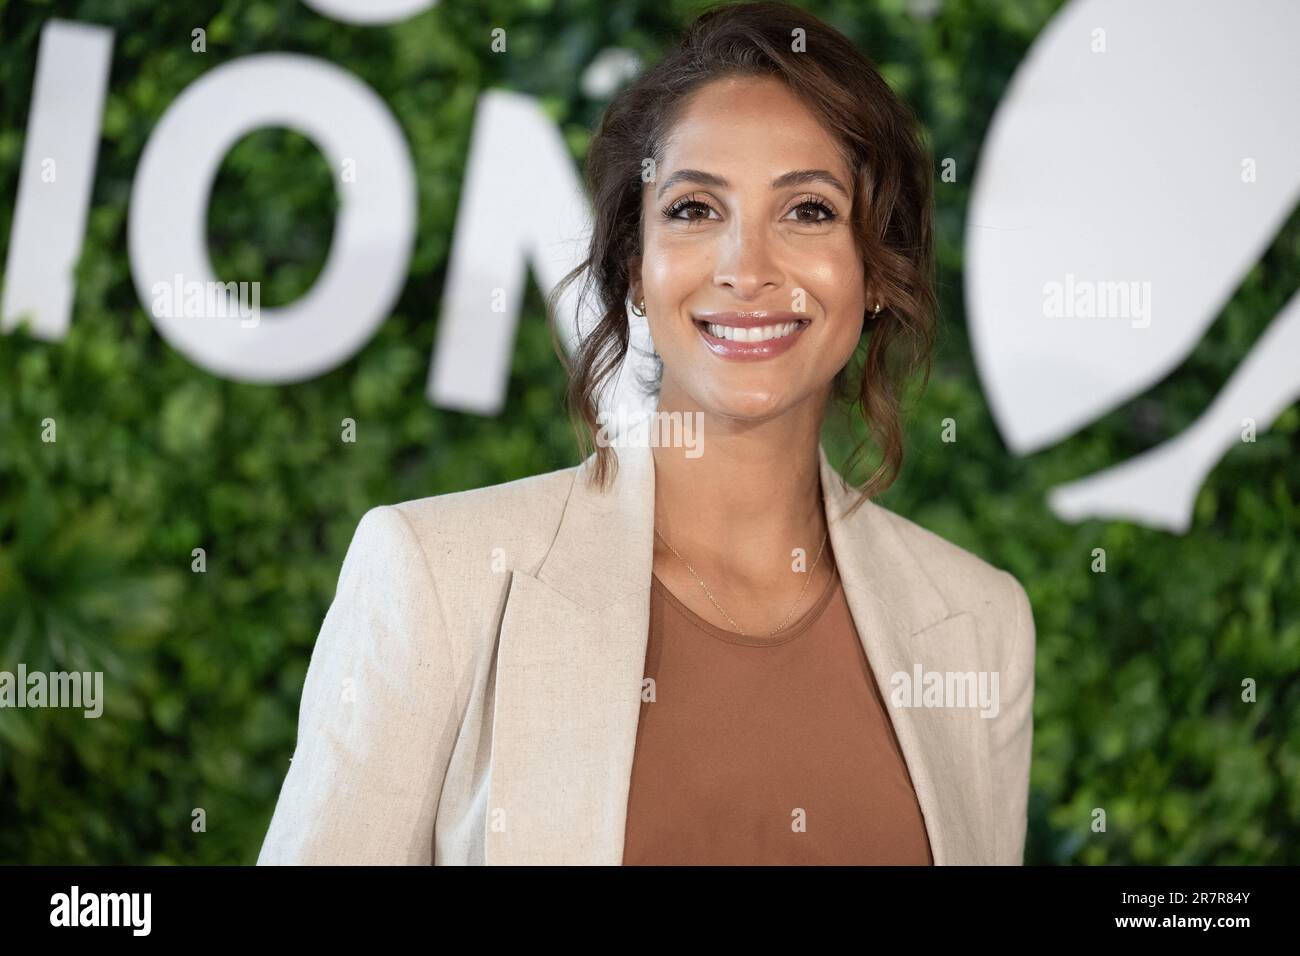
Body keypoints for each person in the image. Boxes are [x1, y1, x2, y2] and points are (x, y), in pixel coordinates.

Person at [258, 0, 1034, 866]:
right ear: (635, 265)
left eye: (809, 210)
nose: (747, 269)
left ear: (876, 268)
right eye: (696, 209)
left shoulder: (979, 625)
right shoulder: (438, 577)